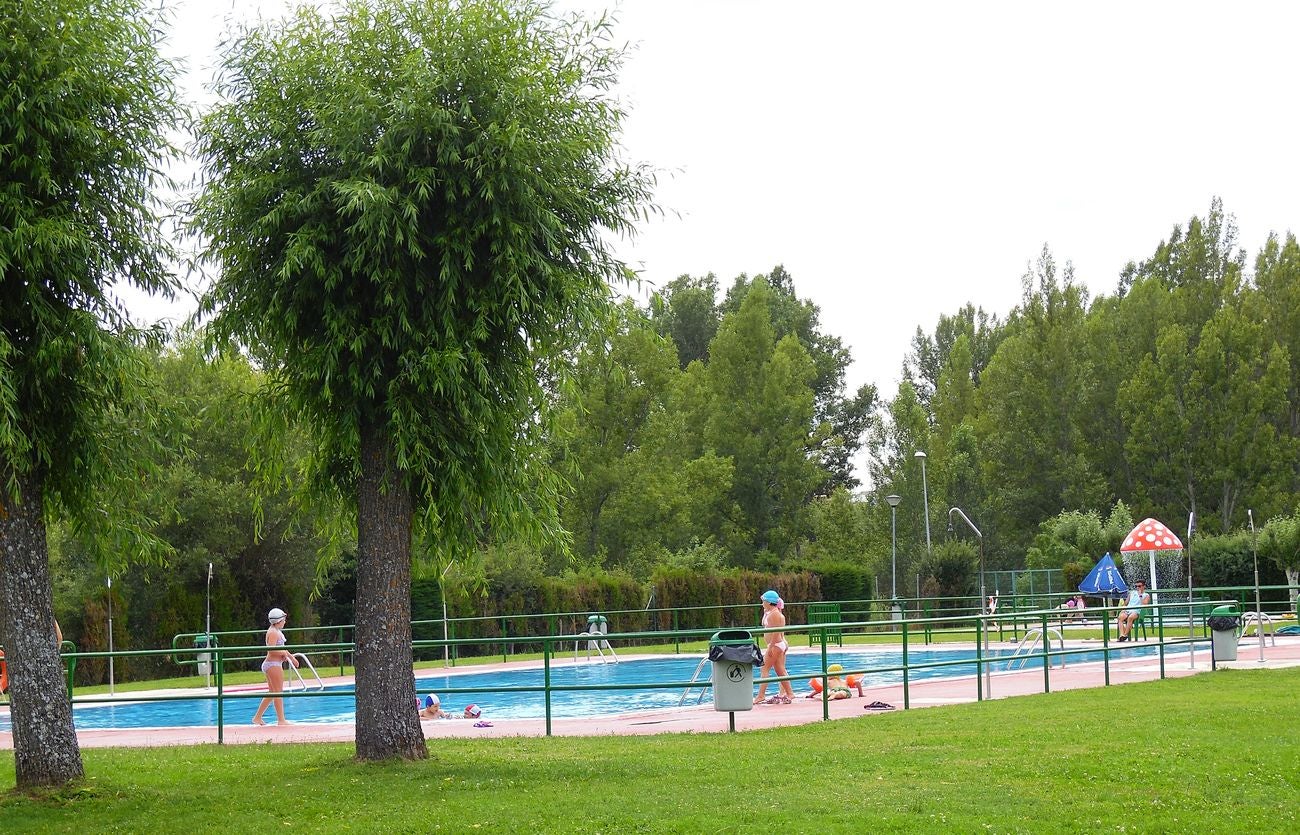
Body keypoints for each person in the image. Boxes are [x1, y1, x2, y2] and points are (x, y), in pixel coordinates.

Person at [252, 607, 298, 726]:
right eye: (283, 620)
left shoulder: (276, 631)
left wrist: (290, 657)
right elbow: (272, 650)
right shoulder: (272, 632)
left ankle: (257, 717)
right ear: (278, 621)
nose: (285, 622)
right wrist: (285, 654)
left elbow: (280, 649)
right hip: (273, 665)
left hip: (273, 664)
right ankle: (281, 720)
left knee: (273, 692)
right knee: (278, 692)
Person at [753, 589, 795, 705]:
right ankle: (790, 693)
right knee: (780, 670)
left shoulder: (776, 614)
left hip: (775, 645)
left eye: (763, 601)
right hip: (775, 645)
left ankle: (761, 695)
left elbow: (776, 633)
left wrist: (770, 647)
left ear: (768, 602)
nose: (762, 604)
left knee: (764, 669)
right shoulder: (770, 613)